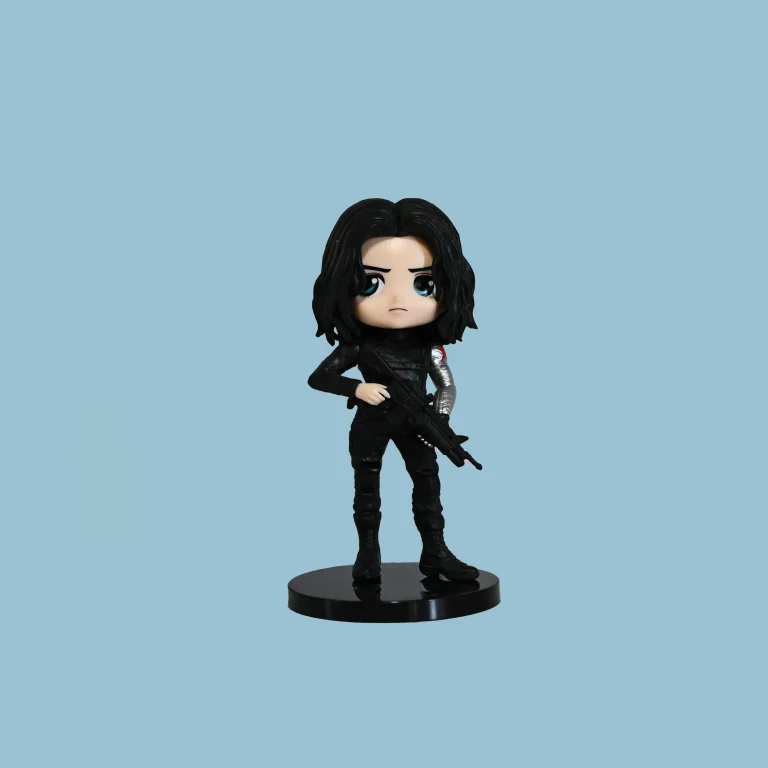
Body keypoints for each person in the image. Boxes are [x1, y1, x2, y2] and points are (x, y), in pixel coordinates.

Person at [308, 198, 480, 582]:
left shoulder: (428, 346)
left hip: (417, 422)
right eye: (372, 283)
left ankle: (435, 552)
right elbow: (320, 377)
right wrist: (357, 389)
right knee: (367, 491)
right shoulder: (358, 346)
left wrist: (440, 417)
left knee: (428, 485)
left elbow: (446, 383)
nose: (399, 301)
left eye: (423, 284)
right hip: (372, 421)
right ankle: (368, 554)